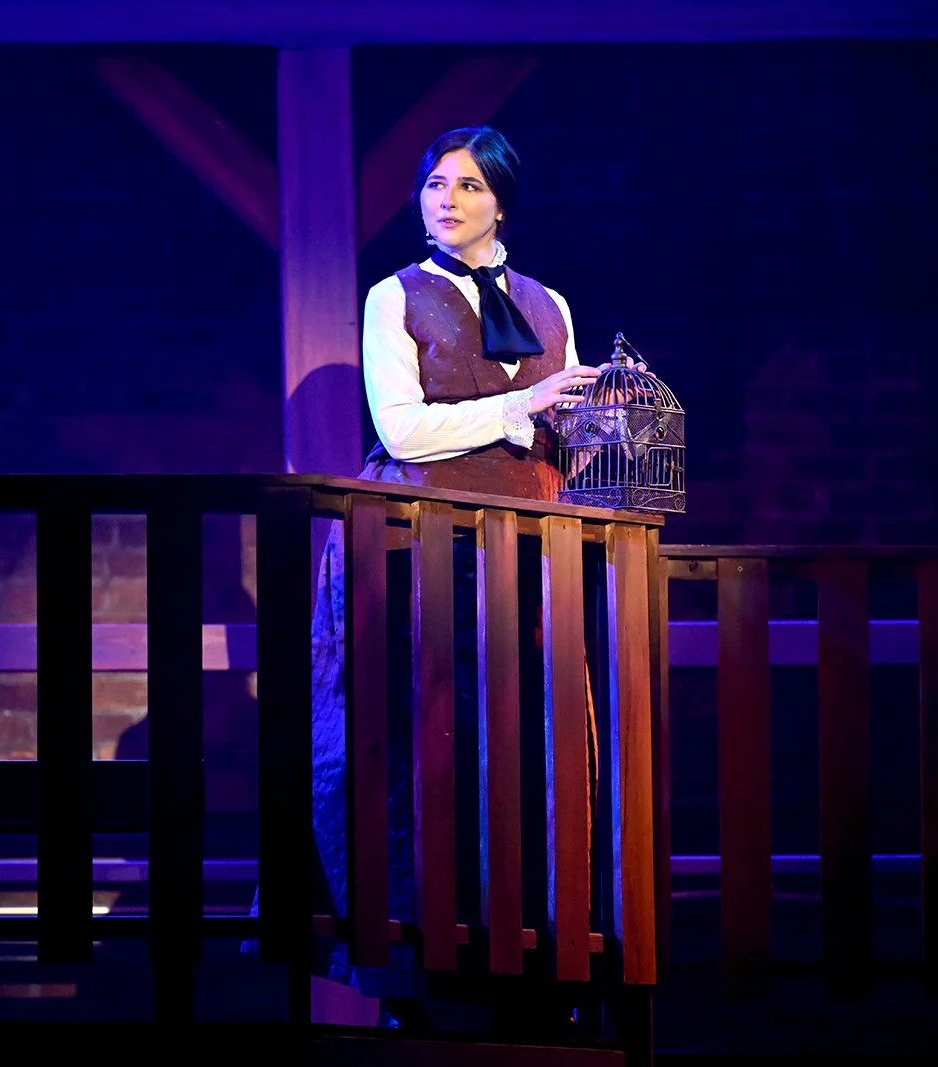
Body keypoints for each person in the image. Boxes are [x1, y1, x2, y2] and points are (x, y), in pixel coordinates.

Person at [292, 126, 640, 1039]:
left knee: (529, 742)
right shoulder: (393, 296)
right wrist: (520, 406)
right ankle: (413, 963)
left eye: (470, 186)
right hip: (418, 549)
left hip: (532, 545)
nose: (447, 199)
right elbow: (404, 433)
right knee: (419, 745)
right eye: (436, 184)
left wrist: (597, 421)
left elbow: (550, 436)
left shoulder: (548, 302)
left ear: (502, 203)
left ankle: (535, 956)